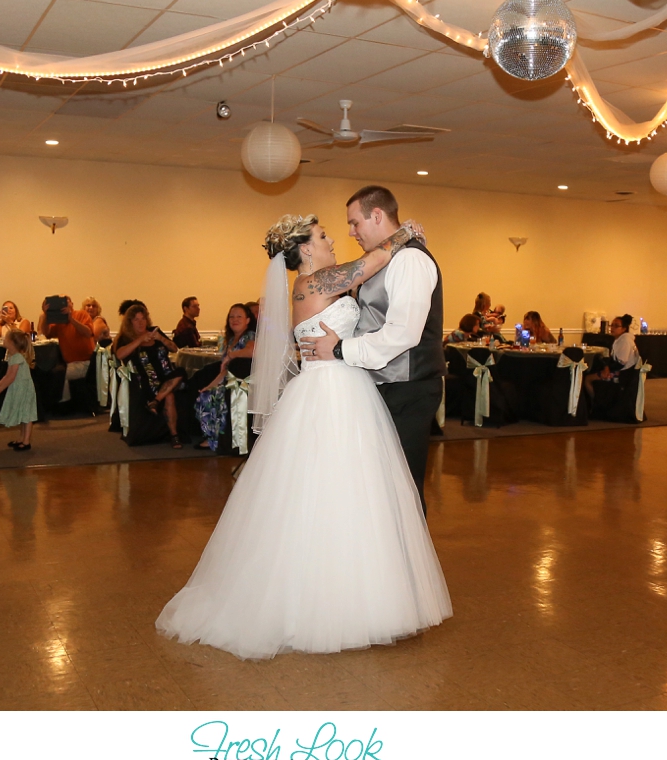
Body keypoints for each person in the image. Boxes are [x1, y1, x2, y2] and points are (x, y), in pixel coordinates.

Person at [156, 212, 450, 659]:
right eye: (324, 235)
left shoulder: (314, 285)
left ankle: (338, 594)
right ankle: (336, 604)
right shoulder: (319, 281)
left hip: (333, 385)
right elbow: (377, 258)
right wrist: (407, 231)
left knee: (329, 493)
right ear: (307, 249)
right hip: (335, 391)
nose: (333, 239)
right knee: (341, 491)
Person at [299, 186, 446, 514]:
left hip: (408, 388)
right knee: (378, 487)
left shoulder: (409, 259)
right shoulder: (385, 260)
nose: (350, 233)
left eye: (355, 223)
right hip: (382, 387)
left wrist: (340, 351)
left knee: (403, 487)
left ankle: (408, 562)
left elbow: (402, 334)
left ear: (376, 215)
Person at [115, 304, 185, 448]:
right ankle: (174, 435)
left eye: (143, 319)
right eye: (136, 320)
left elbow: (174, 348)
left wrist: (160, 338)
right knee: (169, 396)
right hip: (148, 380)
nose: (140, 322)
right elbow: (120, 354)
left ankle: (155, 401)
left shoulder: (155, 331)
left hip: (168, 376)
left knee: (182, 372)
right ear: (130, 322)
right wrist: (140, 340)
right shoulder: (126, 338)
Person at [194, 304, 257, 450]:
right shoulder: (230, 340)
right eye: (231, 317)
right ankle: (213, 438)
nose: (234, 319)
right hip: (228, 381)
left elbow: (252, 351)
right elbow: (224, 371)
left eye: (239, 316)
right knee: (204, 395)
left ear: (247, 320)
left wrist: (232, 355)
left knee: (212, 398)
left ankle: (218, 440)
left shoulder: (250, 335)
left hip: (243, 385)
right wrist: (210, 386)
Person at [38, 295, 95, 401]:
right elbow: (46, 333)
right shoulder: (59, 321)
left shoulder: (81, 314)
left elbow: (88, 333)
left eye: (66, 301)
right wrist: (46, 314)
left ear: (72, 304)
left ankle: (65, 404)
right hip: (69, 362)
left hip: (85, 362)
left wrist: (71, 319)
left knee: (65, 374)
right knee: (51, 372)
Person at [0, 330, 38, 450]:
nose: (4, 341)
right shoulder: (13, 357)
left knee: (26, 415)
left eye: (6, 339)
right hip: (19, 388)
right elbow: (7, 375)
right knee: (23, 414)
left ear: (12, 343)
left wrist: (0, 390)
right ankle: (22, 438)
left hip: (23, 389)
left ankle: (26, 441)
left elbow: (11, 376)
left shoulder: (17, 358)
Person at [584, 314, 639, 403]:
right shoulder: (621, 339)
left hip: (623, 375)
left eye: (616, 326)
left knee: (588, 379)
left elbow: (621, 363)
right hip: (624, 372)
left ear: (624, 328)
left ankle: (596, 404)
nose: (612, 328)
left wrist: (607, 369)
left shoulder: (625, 341)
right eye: (612, 325)